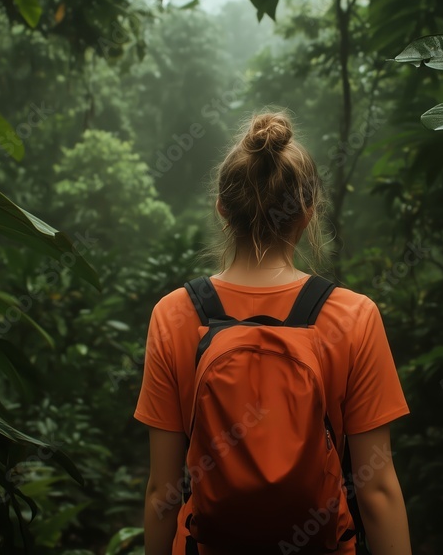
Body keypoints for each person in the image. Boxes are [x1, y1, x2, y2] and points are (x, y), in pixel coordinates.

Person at [134, 110, 412, 555]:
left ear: (222, 209)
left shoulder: (175, 314)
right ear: (307, 212)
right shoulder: (354, 315)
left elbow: (161, 493)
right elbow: (377, 490)